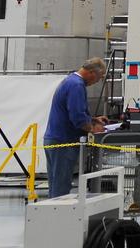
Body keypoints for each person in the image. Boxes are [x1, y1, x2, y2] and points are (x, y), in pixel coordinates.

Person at [43, 58, 109, 198]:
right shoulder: (76, 86)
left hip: (56, 140)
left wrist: (92, 119)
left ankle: (54, 215)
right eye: (99, 77)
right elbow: (77, 117)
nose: (98, 81)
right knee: (60, 188)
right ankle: (57, 217)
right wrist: (93, 129)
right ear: (92, 72)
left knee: (56, 184)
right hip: (63, 142)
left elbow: (71, 112)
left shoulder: (71, 81)